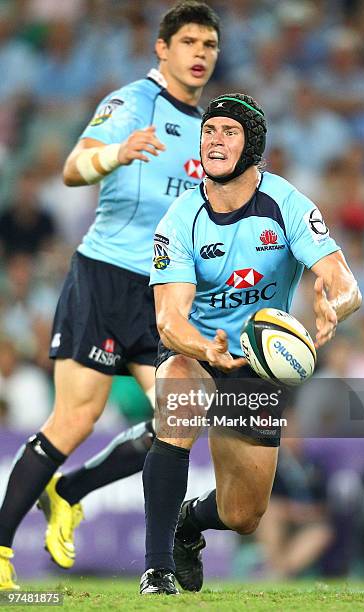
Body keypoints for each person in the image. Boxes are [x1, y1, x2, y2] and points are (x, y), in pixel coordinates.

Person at [0, 0, 220, 590]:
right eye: (189, 43)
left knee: (176, 419)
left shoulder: (210, 130)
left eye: (209, 45)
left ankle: (70, 490)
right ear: (163, 48)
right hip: (103, 276)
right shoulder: (130, 103)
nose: (200, 54)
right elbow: (73, 168)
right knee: (74, 419)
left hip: (161, 294)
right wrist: (115, 154)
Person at [140, 92, 362, 594]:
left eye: (229, 133)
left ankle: (188, 525)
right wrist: (204, 349)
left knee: (244, 514)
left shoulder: (286, 205)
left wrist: (334, 306)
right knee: (179, 395)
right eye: (209, 132)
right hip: (198, 346)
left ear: (253, 145)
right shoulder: (179, 219)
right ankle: (157, 569)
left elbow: (343, 279)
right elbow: (169, 320)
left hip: (258, 363)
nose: (215, 141)